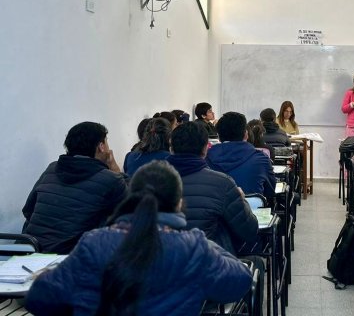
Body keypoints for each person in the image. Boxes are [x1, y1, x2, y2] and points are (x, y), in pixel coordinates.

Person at [25, 161, 253, 316]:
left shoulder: (93, 242)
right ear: (178, 203)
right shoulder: (194, 247)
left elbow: (39, 299)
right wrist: (204, 242)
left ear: (130, 197)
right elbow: (240, 281)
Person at [22, 122, 127, 254]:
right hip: (72, 256)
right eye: (106, 142)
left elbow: (28, 211)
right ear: (101, 147)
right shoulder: (111, 179)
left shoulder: (52, 168)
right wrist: (116, 171)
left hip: (30, 250)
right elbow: (129, 217)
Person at [167, 122, 258, 255]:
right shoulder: (223, 183)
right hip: (210, 264)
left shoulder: (148, 180)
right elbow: (249, 230)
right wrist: (241, 200)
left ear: (171, 148)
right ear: (205, 149)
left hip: (162, 267)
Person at [206, 112, 276, 198]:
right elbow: (270, 192)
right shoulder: (261, 159)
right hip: (253, 210)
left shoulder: (206, 159)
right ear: (246, 134)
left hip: (215, 209)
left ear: (219, 136)